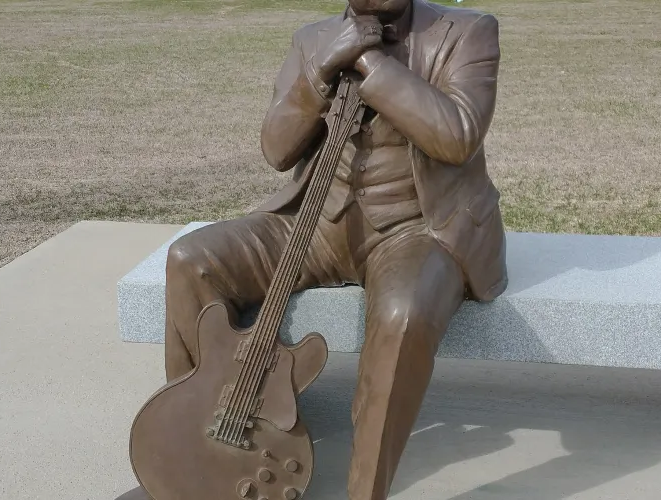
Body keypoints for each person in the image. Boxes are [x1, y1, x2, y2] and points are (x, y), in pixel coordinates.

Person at [163, 0, 506, 497]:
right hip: (319, 222)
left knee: (402, 314)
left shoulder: (467, 32)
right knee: (190, 260)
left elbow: (457, 137)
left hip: (415, 227)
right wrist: (322, 68)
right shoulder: (313, 39)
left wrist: (369, 61)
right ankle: (203, 439)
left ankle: (366, 490)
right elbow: (277, 149)